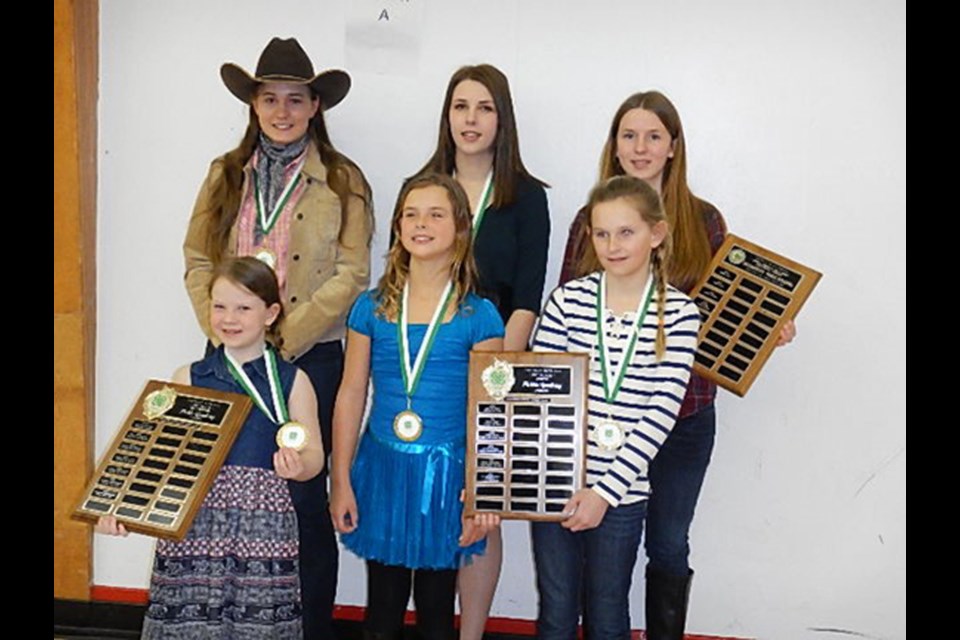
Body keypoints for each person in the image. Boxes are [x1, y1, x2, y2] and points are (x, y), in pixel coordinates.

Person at [559, 91, 796, 639]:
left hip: (684, 416)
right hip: (604, 426)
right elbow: (568, 309)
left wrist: (767, 328)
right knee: (602, 549)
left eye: (653, 136)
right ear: (614, 147)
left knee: (667, 542)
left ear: (673, 148)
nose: (640, 147)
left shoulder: (704, 220)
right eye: (629, 135)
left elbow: (728, 310)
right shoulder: (588, 220)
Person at [182, 37, 373, 639]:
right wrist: (226, 324)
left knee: (303, 503)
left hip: (308, 359)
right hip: (232, 359)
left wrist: (283, 337)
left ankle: (310, 629)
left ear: (316, 106)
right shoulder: (226, 173)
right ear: (254, 105)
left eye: (295, 99)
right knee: (223, 498)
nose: (282, 111)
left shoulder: (342, 179)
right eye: (270, 98)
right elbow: (195, 257)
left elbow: (353, 273)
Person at [97, 257, 325, 639]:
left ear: (270, 313)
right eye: (219, 306)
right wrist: (120, 510)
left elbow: (315, 455)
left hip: (263, 525)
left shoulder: (293, 380)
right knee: (190, 624)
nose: (229, 318)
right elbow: (157, 458)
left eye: (243, 307)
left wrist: (297, 468)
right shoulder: (189, 377)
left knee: (258, 624)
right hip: (195, 520)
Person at [329, 174, 503, 640]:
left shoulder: (480, 317)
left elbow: (490, 413)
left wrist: (482, 489)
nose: (421, 223)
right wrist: (340, 478)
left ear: (460, 229)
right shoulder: (370, 309)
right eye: (410, 213)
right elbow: (350, 393)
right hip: (382, 468)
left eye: (435, 214)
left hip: (446, 477)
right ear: (397, 226)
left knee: (436, 611)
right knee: (381, 610)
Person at [412, 63, 550, 639]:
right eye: (461, 106)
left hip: (495, 371)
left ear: (503, 119)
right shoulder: (420, 187)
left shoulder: (526, 199)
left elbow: (527, 294)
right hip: (428, 371)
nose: (471, 120)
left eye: (485, 108)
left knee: (482, 507)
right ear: (447, 116)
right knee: (424, 499)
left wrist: (495, 376)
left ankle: (470, 635)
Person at [532, 175, 700, 639]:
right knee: (557, 610)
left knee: (608, 611)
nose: (612, 245)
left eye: (626, 232)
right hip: (556, 486)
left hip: (622, 493)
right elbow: (539, 398)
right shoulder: (568, 301)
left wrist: (605, 492)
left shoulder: (680, 313)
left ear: (657, 234)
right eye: (602, 233)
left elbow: (662, 411)